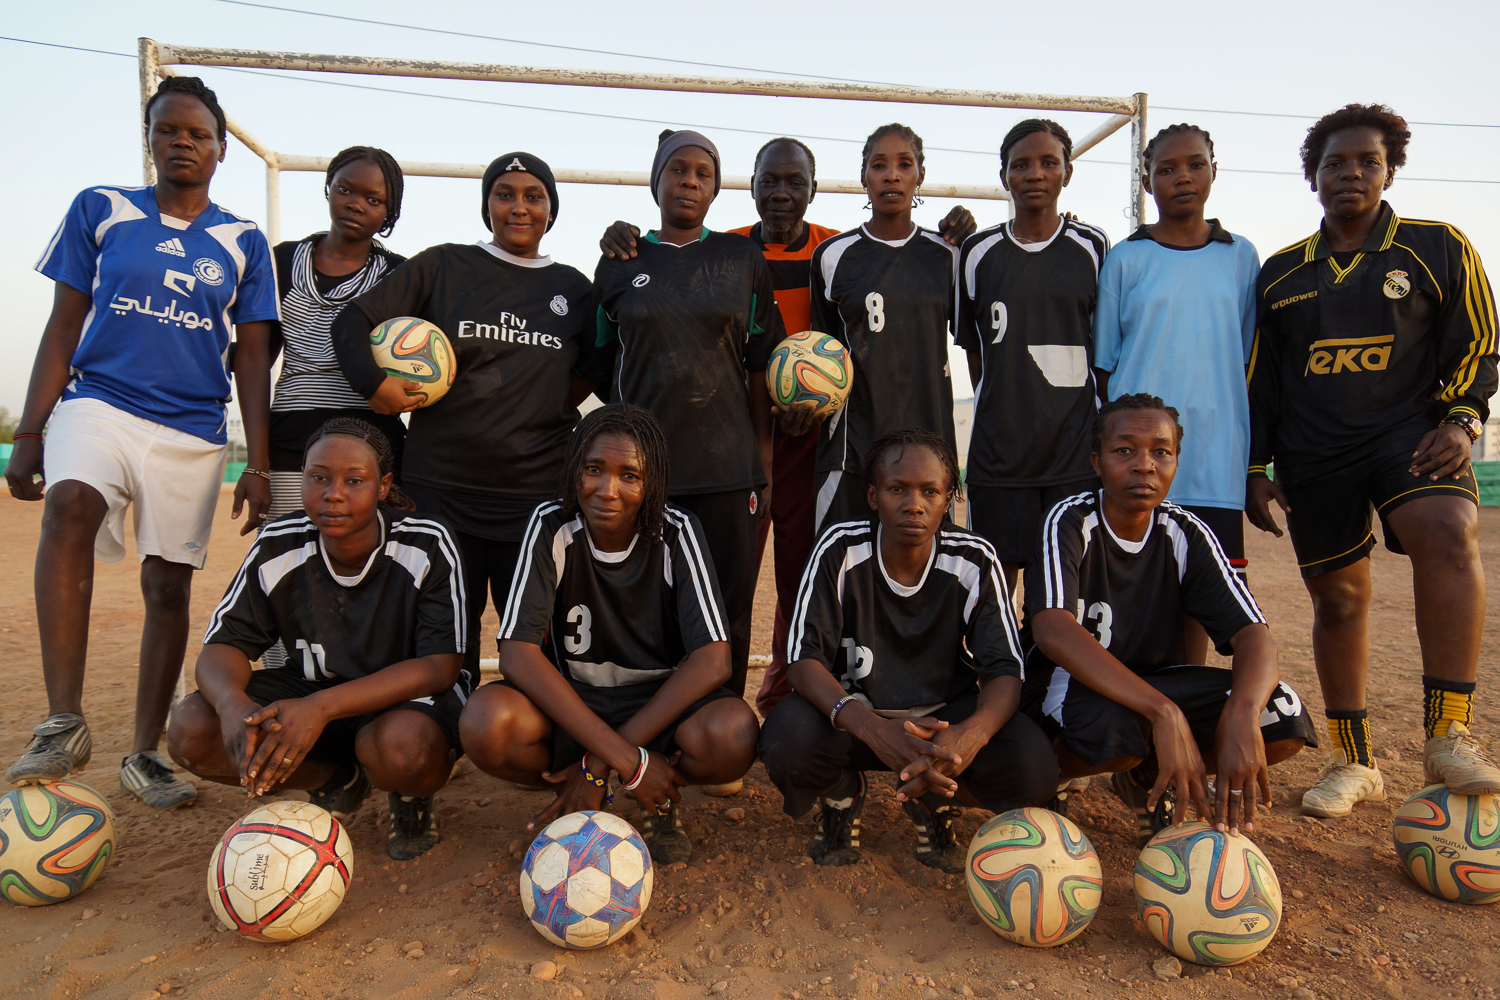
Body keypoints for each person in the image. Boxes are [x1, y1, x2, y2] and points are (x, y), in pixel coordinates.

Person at [598, 138, 977, 724]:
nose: (781, 193)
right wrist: (622, 235)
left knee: (802, 574)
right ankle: (673, 701)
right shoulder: (729, 252)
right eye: (769, 180)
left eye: (794, 182)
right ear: (748, 185)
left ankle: (785, 692)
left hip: (814, 436)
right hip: (736, 438)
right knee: (724, 573)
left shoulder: (832, 250)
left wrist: (956, 235)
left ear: (815, 188)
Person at [5, 77, 279, 809]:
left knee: (167, 585)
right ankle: (63, 719)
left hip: (191, 428)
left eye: (198, 134)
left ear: (221, 150)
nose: (183, 142)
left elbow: (252, 357)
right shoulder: (103, 209)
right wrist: (31, 428)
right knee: (68, 508)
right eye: (169, 130)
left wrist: (257, 458)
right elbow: (64, 323)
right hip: (99, 401)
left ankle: (143, 752)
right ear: (151, 139)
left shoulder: (243, 241)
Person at [1247, 104, 1499, 818]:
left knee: (1449, 531)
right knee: (1340, 600)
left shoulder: (1436, 247)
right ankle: (1353, 760)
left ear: (1390, 169)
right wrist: (1256, 469)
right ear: (1312, 177)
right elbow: (1263, 381)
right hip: (1315, 452)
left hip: (1411, 435)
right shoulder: (1281, 274)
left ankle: (1449, 731)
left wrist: (1464, 415)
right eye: (1334, 163)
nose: (1350, 173)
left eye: (1366, 161)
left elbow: (1479, 342)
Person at [332, 152, 593, 705]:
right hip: (440, 492)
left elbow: (593, 369)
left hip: (534, 497)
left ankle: (533, 743)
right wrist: (375, 385)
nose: (518, 206)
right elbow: (352, 320)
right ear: (486, 205)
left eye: (533, 195)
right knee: (443, 635)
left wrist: (535, 407)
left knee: (535, 637)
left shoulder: (574, 289)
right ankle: (437, 741)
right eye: (504, 193)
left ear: (551, 209)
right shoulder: (444, 266)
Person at [459, 404, 760, 863]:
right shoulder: (551, 525)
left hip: (657, 709)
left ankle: (647, 795)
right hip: (575, 703)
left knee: (733, 732)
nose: (606, 490)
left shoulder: (675, 531)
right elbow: (517, 653)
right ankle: (590, 783)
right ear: (574, 469)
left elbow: (714, 658)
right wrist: (625, 759)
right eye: (593, 469)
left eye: (629, 476)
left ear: (652, 482)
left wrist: (607, 762)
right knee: (485, 721)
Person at [166, 419, 467, 859]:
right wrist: (231, 703)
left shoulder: (425, 542)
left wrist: (320, 707)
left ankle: (409, 796)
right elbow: (223, 645)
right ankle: (335, 780)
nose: (334, 493)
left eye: (355, 480)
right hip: (312, 689)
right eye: (319, 477)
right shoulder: (279, 542)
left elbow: (440, 666)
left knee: (405, 746)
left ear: (383, 487)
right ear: (302, 477)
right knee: (193, 728)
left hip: (400, 703)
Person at [761, 429, 1058, 873]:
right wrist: (872, 729)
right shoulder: (839, 547)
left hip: (940, 724)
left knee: (1033, 771)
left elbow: (1004, 671)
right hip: (855, 719)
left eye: (930, 491)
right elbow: (804, 661)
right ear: (873, 494)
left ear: (948, 499)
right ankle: (843, 794)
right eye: (897, 488)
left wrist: (969, 736)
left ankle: (935, 798)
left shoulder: (974, 559)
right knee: (786, 742)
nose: (913, 503)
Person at [1023, 394, 1314, 846]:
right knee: (1112, 733)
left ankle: (1145, 778)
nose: (1145, 465)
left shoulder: (1187, 532)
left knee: (1278, 712)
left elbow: (1253, 634)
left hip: (1156, 683)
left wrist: (1241, 710)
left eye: (1161, 451)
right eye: (1125, 451)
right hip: (1069, 686)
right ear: (1097, 461)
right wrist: (1164, 711)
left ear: (1176, 461)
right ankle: (1055, 775)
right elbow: (1052, 629)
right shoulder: (1070, 520)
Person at [582, 130, 782, 700]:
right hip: (640, 473)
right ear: (656, 179)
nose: (689, 181)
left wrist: (763, 458)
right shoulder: (621, 259)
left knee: (727, 606)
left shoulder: (742, 259)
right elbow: (599, 363)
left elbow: (760, 365)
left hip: (726, 468)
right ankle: (650, 727)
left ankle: (719, 726)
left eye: (703, 173)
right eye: (677, 169)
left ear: (717, 189)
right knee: (646, 602)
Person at [1092, 125, 1261, 665]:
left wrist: (1258, 464)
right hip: (1139, 458)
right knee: (1136, 583)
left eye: (1194, 164)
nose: (1181, 177)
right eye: (1166, 168)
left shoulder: (1241, 256)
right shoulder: (1125, 258)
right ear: (1147, 180)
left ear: (1214, 168)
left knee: (1200, 595)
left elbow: (1248, 358)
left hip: (1214, 454)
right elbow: (1105, 368)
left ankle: (1185, 695)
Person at [957, 119, 1110, 594]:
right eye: (1021, 165)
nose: (1035, 174)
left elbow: (1102, 351)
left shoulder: (1094, 248)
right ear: (1004, 176)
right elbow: (975, 352)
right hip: (999, 459)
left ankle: (1050, 673)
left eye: (1048, 162)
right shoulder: (977, 252)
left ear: (1068, 171)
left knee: (1062, 596)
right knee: (995, 594)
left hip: (1073, 456)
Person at [809, 124, 961, 535]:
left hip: (930, 448)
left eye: (904, 164)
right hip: (851, 448)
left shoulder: (949, 255)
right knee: (841, 575)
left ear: (920, 176)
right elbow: (821, 349)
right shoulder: (832, 256)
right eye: (879, 165)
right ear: (864, 177)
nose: (891, 175)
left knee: (925, 581)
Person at [267, 146, 407, 519]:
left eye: (374, 199)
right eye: (345, 190)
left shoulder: (399, 274)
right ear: (328, 187)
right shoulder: (281, 261)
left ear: (389, 212)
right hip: (289, 431)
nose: (356, 204)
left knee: (363, 559)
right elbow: (259, 355)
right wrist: (255, 462)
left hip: (369, 432)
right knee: (285, 551)